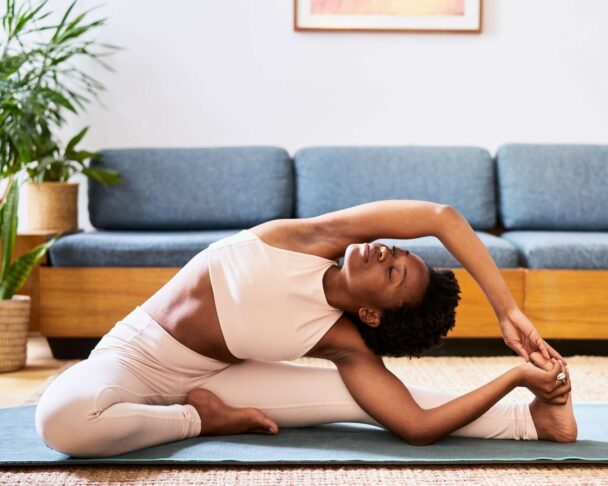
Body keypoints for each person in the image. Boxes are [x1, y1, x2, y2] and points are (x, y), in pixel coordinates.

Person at [35, 200, 577, 457]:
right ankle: (199, 421)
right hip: (133, 359)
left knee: (357, 401)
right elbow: (442, 217)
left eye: (392, 274)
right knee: (61, 420)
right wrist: (506, 311)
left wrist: (515, 379)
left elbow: (416, 424)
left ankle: (534, 423)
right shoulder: (314, 238)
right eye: (398, 253)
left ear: (372, 315)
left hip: (222, 377)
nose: (385, 251)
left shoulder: (341, 342)